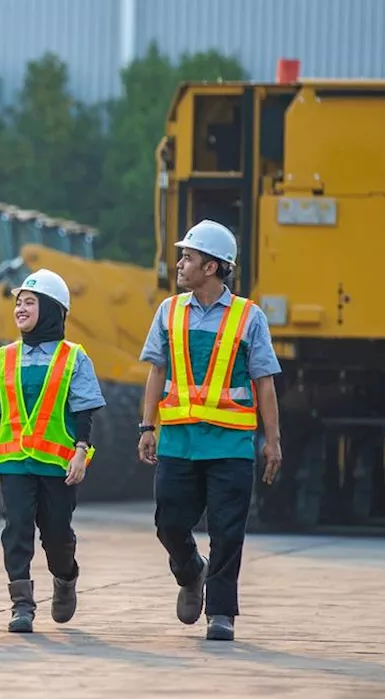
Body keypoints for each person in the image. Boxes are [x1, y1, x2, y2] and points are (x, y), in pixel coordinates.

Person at [137, 219, 283, 642]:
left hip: (231, 443)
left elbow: (264, 382)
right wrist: (148, 426)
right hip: (179, 440)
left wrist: (271, 441)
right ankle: (189, 570)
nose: (180, 264)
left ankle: (221, 612)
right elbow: (156, 371)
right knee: (168, 522)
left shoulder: (248, 317)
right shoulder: (168, 311)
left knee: (227, 530)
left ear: (213, 267)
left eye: (189, 257)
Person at [0, 269, 105, 633]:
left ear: (52, 310)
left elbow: (84, 410)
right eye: (18, 302)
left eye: (30, 302)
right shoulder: (5, 357)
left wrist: (80, 451)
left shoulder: (73, 357)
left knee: (56, 533)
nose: (20, 308)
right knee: (16, 529)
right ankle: (22, 604)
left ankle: (65, 577)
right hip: (13, 463)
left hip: (58, 466)